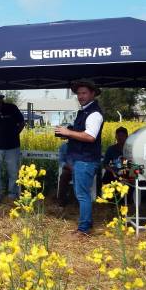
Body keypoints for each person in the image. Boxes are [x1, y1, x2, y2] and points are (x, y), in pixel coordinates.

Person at [54, 80, 104, 235]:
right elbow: (82, 134)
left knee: (82, 195)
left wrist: (68, 133)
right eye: (78, 93)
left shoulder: (94, 113)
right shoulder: (85, 111)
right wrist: (67, 133)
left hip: (86, 160)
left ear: (92, 94)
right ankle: (86, 223)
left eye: (84, 93)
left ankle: (84, 229)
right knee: (81, 194)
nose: (80, 96)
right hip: (80, 159)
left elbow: (90, 136)